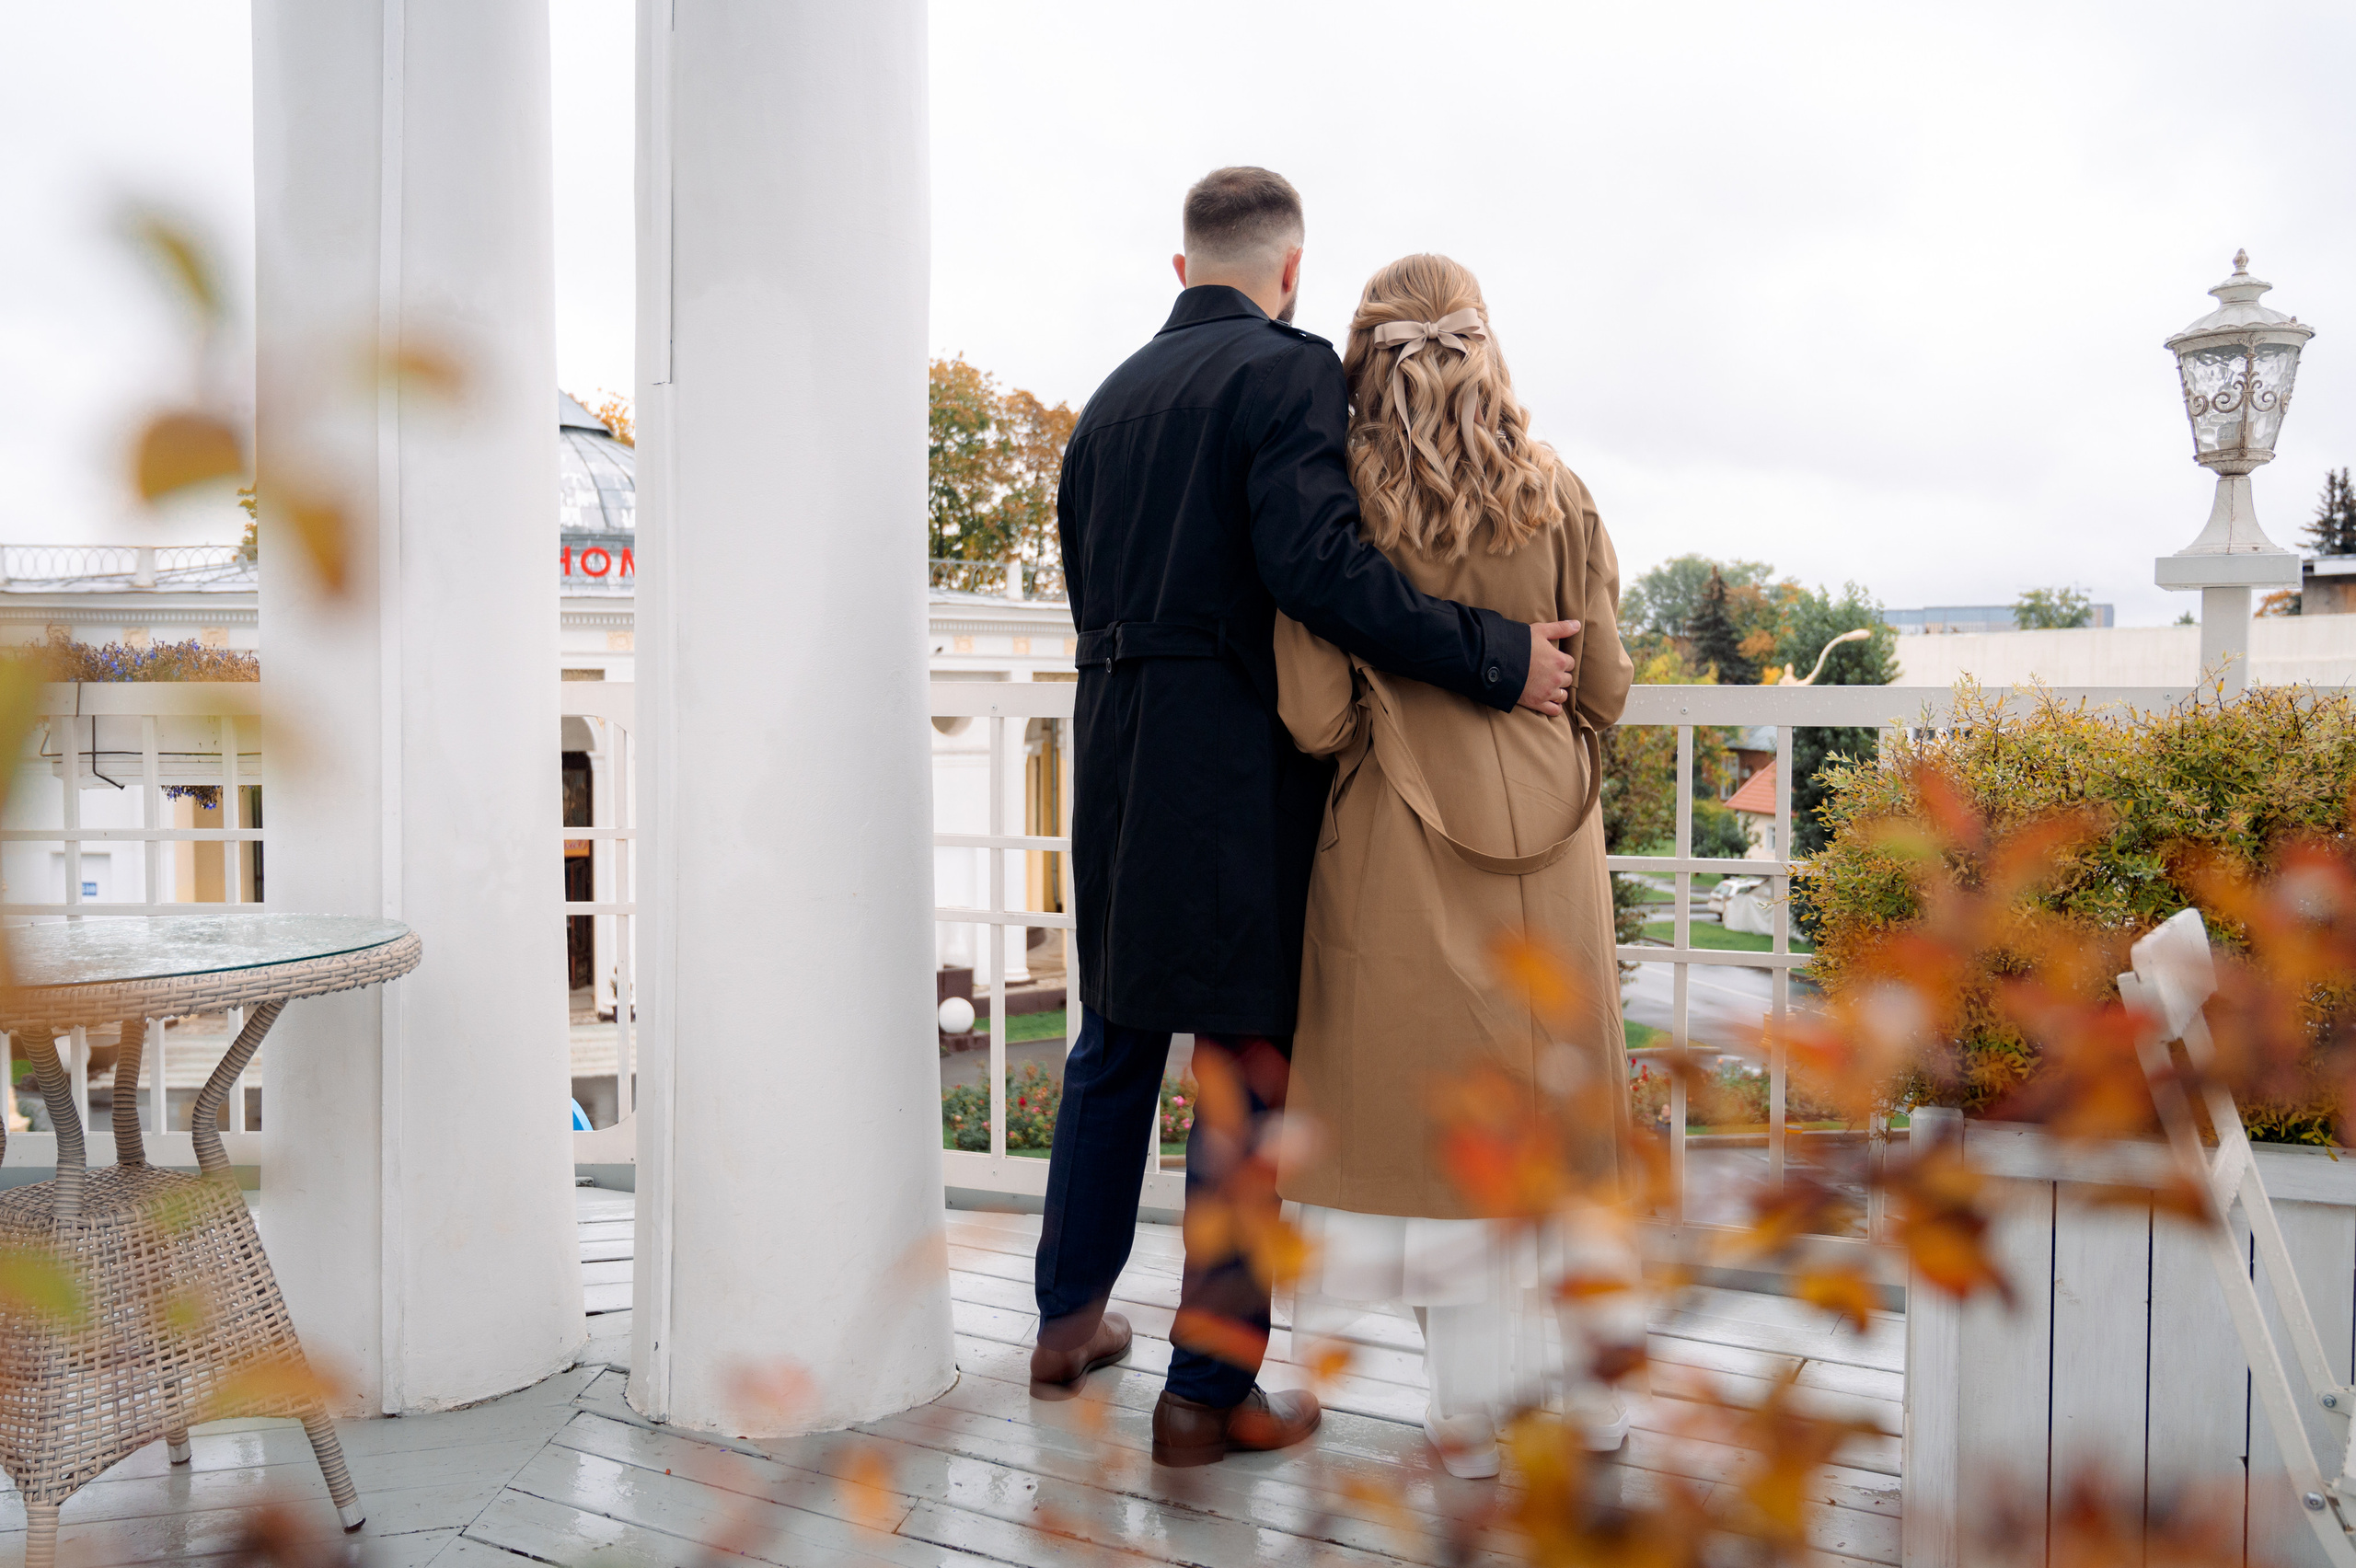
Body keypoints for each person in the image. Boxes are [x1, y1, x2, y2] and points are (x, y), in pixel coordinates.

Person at [1033, 168, 1582, 1469]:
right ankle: (1206, 1394)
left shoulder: (1105, 402)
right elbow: (1318, 570)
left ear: (1184, 272)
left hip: (1111, 755)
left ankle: (1066, 1322)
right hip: (1227, 775)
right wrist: (1498, 655)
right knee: (1241, 1081)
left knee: (1111, 1044)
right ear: (1291, 271)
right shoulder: (1285, 376)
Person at [1272, 253, 1640, 1479]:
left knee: (1429, 1133)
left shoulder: (1345, 518)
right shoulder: (1563, 494)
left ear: (1370, 362)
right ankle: (1570, 1404)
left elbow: (1316, 716)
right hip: (1553, 838)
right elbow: (1602, 688)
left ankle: (1467, 1411)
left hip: (1398, 840)